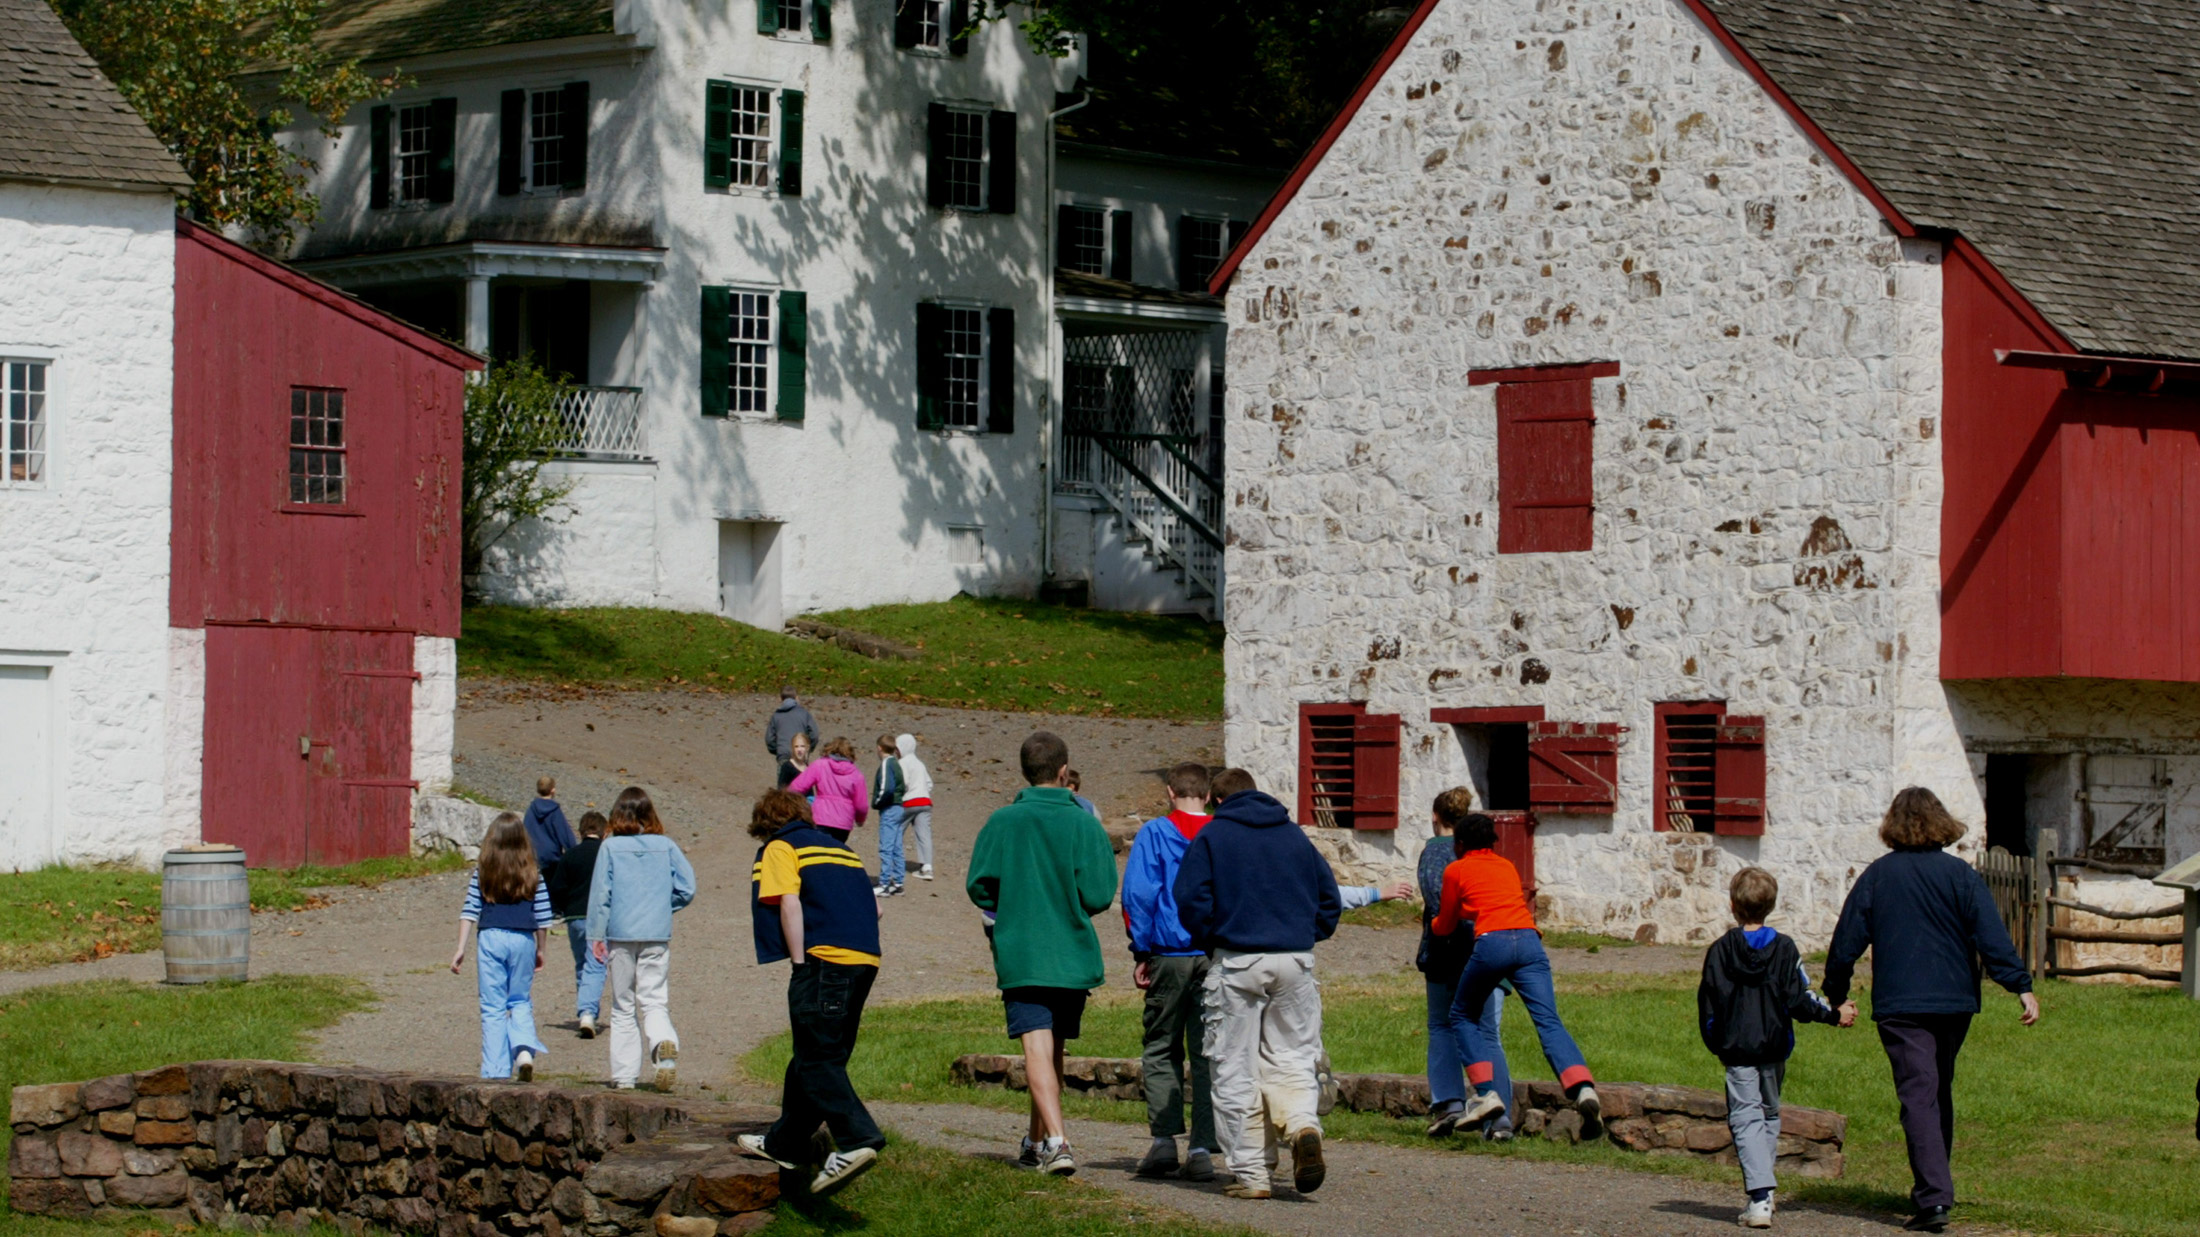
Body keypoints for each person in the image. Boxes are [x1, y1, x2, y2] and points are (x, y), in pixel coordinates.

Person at [1823, 788, 2039, 1235]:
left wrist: (1835, 992)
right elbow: (1990, 935)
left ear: (1893, 826)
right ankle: (1936, 1190)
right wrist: (2019, 986)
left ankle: (1934, 1198)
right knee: (1936, 1091)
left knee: (1919, 1094)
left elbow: (1846, 942)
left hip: (1903, 1003)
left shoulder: (1879, 876)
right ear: (1940, 821)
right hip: (1954, 1000)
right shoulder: (1959, 875)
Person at [1174, 768, 1341, 1200]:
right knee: (1293, 1056)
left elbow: (1190, 898)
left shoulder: (1212, 837)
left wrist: (1212, 937)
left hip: (1237, 961)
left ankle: (1252, 1173)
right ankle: (1303, 1124)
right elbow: (1330, 899)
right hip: (1294, 960)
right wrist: (1305, 934)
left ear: (1214, 798)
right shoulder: (1294, 836)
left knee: (1233, 1067)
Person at [966, 731, 1118, 1177]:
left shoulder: (1003, 821)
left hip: (1022, 950)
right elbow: (1099, 893)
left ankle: (1057, 1141)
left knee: (1037, 1047)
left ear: (1025, 772)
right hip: (1071, 952)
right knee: (1052, 1050)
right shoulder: (1084, 823)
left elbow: (978, 885)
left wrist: (1014, 896)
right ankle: (1035, 1141)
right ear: (1064, 771)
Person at [735, 789, 887, 1199]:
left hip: (823, 961)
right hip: (864, 960)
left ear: (765, 825)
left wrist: (800, 963)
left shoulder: (782, 847)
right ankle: (784, 1143)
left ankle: (858, 1139)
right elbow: (877, 909)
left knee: (818, 1060)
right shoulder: (841, 850)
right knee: (814, 1056)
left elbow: (789, 903)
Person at [1435, 812, 1600, 1133]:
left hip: (1491, 945)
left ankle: (1485, 1094)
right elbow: (1493, 903)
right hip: (1528, 941)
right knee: (1548, 1021)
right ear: (1492, 843)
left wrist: (1431, 921)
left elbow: (1445, 925)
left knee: (1461, 1015)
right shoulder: (1507, 866)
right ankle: (1583, 1088)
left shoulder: (1456, 869)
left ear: (1460, 844)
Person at [1699, 867, 1842, 1229]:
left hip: (1737, 1048)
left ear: (1732, 905)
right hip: (1774, 1045)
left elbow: (1708, 1005)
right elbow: (1800, 997)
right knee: (1767, 1114)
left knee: (1746, 1117)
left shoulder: (1719, 951)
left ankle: (1760, 1196)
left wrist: (1717, 1041)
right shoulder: (1785, 948)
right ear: (1772, 905)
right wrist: (1832, 1013)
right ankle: (1764, 1192)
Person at [1121, 763, 1219, 1182]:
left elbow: (1138, 895)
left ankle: (1164, 1141)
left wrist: (1141, 950)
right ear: (1210, 795)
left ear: (1169, 792)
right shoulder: (1219, 835)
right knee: (1207, 1052)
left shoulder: (1155, 834)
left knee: (1161, 1047)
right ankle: (1201, 1148)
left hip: (1168, 950)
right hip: (1213, 954)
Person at [586, 787, 698, 1091]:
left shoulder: (610, 847)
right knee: (654, 1001)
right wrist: (664, 906)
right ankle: (664, 1047)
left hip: (620, 935)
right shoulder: (666, 845)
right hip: (656, 935)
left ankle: (624, 1076)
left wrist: (595, 935)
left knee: (623, 1006)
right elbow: (687, 888)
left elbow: (600, 896)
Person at [1418, 792, 1513, 1141]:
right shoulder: (1488, 856)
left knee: (1442, 1026)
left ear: (1435, 816)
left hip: (1448, 954)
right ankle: (1499, 1119)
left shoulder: (1433, 853)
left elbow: (1437, 904)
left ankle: (1450, 1104)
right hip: (1491, 948)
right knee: (1488, 1033)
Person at [450, 813, 553, 1081]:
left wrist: (460, 947)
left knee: (493, 1007)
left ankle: (494, 1072)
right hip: (522, 939)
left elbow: (470, 909)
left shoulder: (483, 872)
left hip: (491, 936)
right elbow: (543, 915)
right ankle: (524, 1052)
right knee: (519, 999)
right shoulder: (533, 873)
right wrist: (541, 949)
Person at [549, 810, 609, 1039]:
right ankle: (587, 1011)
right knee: (597, 964)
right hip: (599, 917)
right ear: (604, 832)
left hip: (574, 917)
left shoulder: (570, 855)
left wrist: (564, 909)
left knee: (582, 964)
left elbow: (557, 888)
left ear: (581, 831)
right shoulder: (606, 854)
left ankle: (586, 1009)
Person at [789, 738, 869, 841]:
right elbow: (861, 805)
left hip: (821, 818)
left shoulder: (820, 765)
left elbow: (797, 787)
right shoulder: (856, 774)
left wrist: (788, 803)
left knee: (819, 850)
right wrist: (860, 820)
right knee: (836, 851)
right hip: (843, 822)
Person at [871, 735, 908, 897]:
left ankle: (884, 883)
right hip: (900, 807)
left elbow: (887, 787)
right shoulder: (897, 763)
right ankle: (898, 882)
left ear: (880, 747)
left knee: (886, 846)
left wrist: (877, 802)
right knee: (897, 846)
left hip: (890, 808)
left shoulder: (887, 764)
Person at [896, 734, 935, 881]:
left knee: (897, 830)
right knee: (924, 834)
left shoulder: (902, 763)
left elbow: (903, 783)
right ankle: (927, 867)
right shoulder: (920, 764)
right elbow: (929, 783)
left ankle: (894, 861)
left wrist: (901, 795)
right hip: (925, 801)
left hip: (909, 802)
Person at [523, 777, 577, 874]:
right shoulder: (555, 811)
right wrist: (573, 854)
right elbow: (566, 836)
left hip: (532, 855)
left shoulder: (531, 809)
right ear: (553, 790)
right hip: (551, 858)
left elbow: (524, 830)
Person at [765, 684, 820, 762]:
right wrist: (807, 749)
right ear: (796, 698)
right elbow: (814, 735)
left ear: (780, 699)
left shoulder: (776, 716)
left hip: (783, 754)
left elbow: (769, 739)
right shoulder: (804, 714)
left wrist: (778, 750)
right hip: (801, 755)